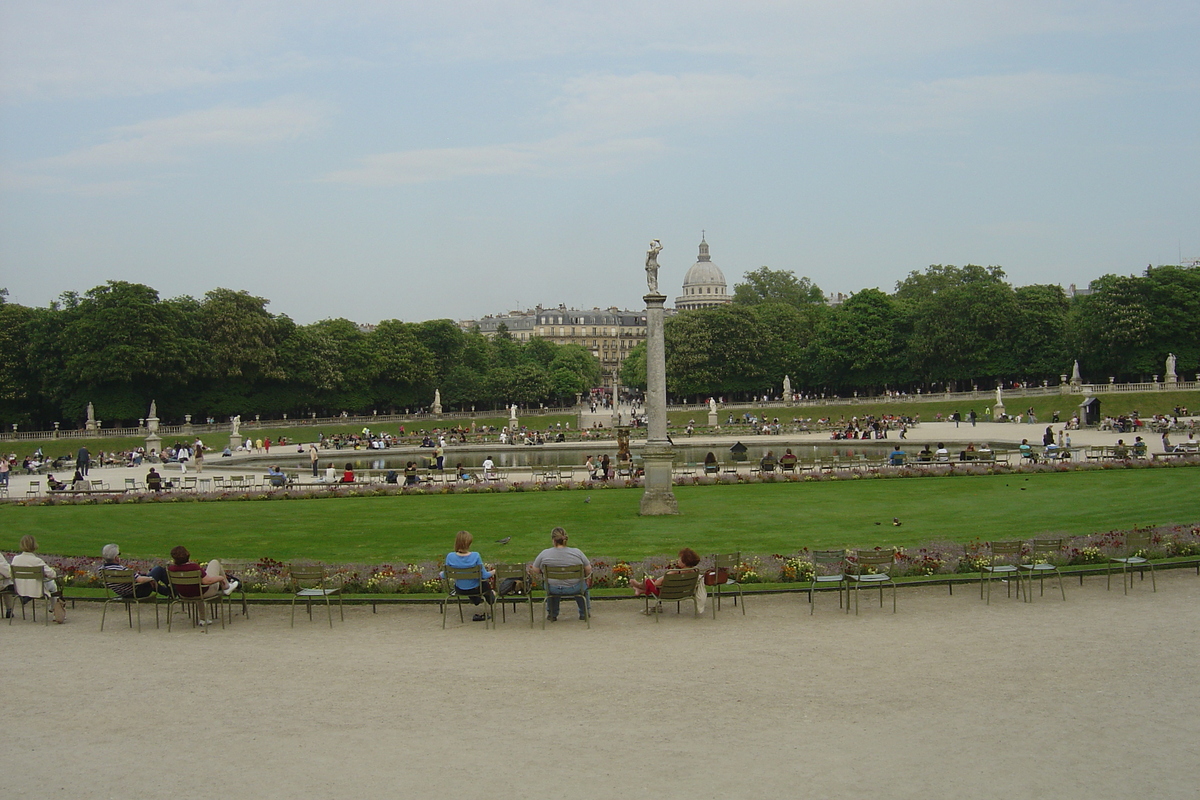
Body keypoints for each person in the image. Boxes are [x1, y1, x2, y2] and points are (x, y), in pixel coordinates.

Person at [530, 527, 591, 622]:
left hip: (552, 588)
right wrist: (585, 578)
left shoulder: (545, 553)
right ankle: (584, 613)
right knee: (583, 588)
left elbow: (535, 569)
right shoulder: (577, 552)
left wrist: (544, 572)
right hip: (574, 587)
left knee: (552, 585)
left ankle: (552, 614)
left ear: (553, 540)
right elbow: (588, 569)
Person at [166, 546, 238, 623]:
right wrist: (221, 578)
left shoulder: (171, 569)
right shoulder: (193, 567)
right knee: (214, 562)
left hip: (184, 594)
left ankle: (203, 619)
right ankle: (226, 587)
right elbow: (208, 581)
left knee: (196, 587)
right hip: (203, 593)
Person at [441, 530, 494, 622]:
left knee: (469, 583)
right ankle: (491, 598)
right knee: (484, 585)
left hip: (460, 589)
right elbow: (484, 575)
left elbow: (444, 575)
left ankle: (477, 600)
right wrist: (494, 571)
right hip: (476, 589)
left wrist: (440, 573)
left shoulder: (450, 556)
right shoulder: (475, 556)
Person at [12, 535, 67, 622]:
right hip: (36, 590)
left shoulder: (15, 559)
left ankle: (53, 609)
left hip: (21, 590)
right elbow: (52, 574)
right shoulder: (37, 561)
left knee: (49, 583)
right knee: (52, 585)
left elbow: (10, 573)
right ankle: (54, 610)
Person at [100, 543, 164, 599]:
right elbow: (140, 580)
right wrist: (151, 579)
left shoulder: (102, 570)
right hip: (137, 592)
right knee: (158, 570)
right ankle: (171, 591)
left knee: (145, 577)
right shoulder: (122, 570)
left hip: (124, 593)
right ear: (116, 557)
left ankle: (168, 592)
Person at [631, 548, 701, 597]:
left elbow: (656, 584)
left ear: (684, 562)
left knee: (648, 581)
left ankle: (639, 586)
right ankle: (640, 590)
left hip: (666, 593)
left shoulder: (674, 573)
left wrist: (666, 575)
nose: (678, 560)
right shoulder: (694, 571)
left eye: (680, 559)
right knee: (652, 582)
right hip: (681, 593)